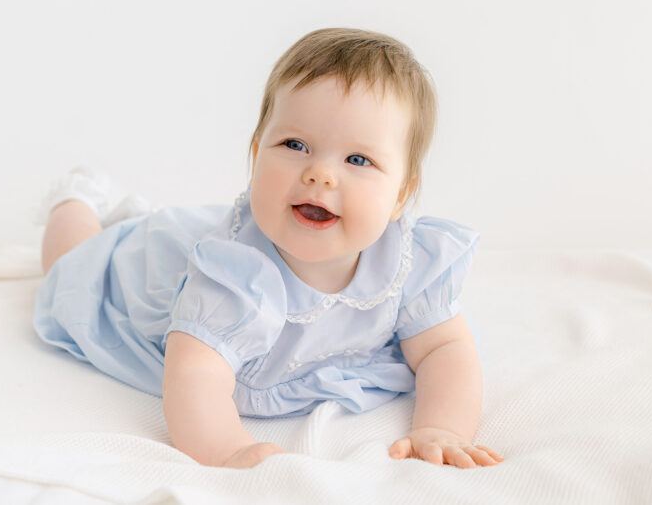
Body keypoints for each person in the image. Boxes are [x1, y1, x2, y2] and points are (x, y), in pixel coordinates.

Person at [33, 28, 503, 470]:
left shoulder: (407, 263)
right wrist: (227, 450)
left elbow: (445, 348)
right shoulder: (231, 275)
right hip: (153, 271)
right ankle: (73, 200)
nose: (320, 174)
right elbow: (195, 374)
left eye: (358, 159)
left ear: (402, 193)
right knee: (76, 268)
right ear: (257, 157)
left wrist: (441, 427)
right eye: (295, 144)